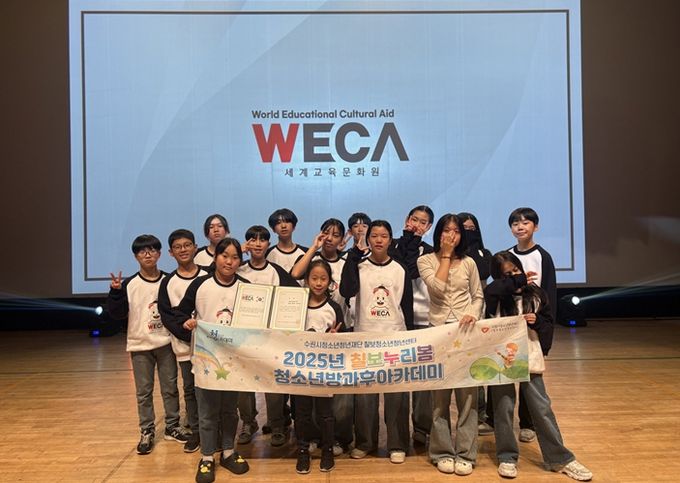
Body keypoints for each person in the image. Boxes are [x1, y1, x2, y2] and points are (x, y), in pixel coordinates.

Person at [484, 251, 592, 481]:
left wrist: (537, 322)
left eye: (516, 270)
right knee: (503, 409)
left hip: (530, 357)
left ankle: (559, 458)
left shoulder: (537, 294)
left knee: (541, 408)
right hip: (502, 360)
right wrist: (518, 280)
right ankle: (507, 457)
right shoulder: (495, 295)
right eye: (507, 275)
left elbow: (548, 324)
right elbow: (492, 290)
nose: (514, 276)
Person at [166, 238, 251, 482]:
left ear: (239, 261)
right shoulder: (200, 285)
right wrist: (187, 322)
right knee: (207, 411)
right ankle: (206, 456)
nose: (229, 261)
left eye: (235, 257)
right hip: (206, 360)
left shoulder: (246, 288)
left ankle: (228, 451)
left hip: (234, 362)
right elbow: (179, 313)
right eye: (225, 256)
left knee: (230, 410)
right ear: (215, 257)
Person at [340, 220, 414, 464]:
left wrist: (410, 337)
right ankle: (365, 442)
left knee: (397, 396)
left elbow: (407, 305)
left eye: (384, 236)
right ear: (368, 239)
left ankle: (397, 443)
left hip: (394, 338)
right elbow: (346, 290)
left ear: (391, 239)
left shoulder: (400, 269)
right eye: (374, 235)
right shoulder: (359, 266)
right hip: (365, 338)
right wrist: (353, 257)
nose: (379, 240)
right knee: (365, 396)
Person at [107, 234, 187, 455]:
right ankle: (147, 431)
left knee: (170, 388)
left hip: (165, 342)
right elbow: (117, 314)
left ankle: (172, 426)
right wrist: (115, 293)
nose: (148, 254)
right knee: (144, 392)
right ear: (136, 256)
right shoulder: (129, 284)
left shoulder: (169, 280)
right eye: (142, 251)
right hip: (140, 344)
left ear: (160, 254)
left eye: (152, 250)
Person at [416, 214, 484, 475]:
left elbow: (478, 296)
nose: (451, 235)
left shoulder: (469, 262)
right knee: (439, 398)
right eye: (446, 230)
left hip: (466, 333)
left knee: (468, 397)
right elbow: (437, 289)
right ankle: (442, 451)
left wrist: (473, 314)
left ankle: (466, 452)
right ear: (438, 234)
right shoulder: (425, 260)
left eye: (456, 231)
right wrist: (445, 256)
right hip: (439, 334)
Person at [290, 219, 353, 455]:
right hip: (306, 351)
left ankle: (337, 440)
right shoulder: (311, 260)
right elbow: (295, 273)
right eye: (326, 233)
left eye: (336, 235)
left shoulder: (345, 262)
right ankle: (311, 439)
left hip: (335, 335)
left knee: (334, 399)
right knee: (307, 401)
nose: (330, 238)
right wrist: (314, 247)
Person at [238, 225, 298, 447]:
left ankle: (277, 425)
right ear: (246, 244)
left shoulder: (275, 271)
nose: (257, 244)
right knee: (243, 385)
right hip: (243, 339)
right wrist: (237, 252)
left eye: (262, 240)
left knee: (273, 384)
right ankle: (248, 422)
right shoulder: (238, 270)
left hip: (271, 339)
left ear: (268, 244)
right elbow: (210, 275)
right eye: (252, 240)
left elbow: (296, 295)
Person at [507, 207, 556, 443]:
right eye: (515, 223)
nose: (520, 227)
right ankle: (498, 421)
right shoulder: (507, 255)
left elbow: (548, 295)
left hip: (533, 324)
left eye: (526, 222)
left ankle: (527, 423)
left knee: (530, 374)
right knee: (506, 371)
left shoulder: (542, 256)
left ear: (535, 227)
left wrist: (542, 323)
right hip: (509, 325)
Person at [158, 229, 208, 453]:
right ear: (171, 252)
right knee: (190, 389)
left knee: (213, 390)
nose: (183, 250)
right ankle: (196, 431)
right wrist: (190, 335)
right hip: (185, 346)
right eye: (178, 247)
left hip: (213, 346)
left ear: (195, 247)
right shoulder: (168, 282)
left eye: (187, 245)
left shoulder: (208, 275)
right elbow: (168, 316)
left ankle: (214, 430)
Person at [294, 259, 345, 474]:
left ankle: (327, 450)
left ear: (330, 282)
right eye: (314, 278)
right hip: (299, 371)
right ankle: (303, 451)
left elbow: (343, 339)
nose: (318, 283)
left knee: (325, 413)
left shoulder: (334, 308)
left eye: (323, 279)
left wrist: (335, 337)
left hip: (325, 371)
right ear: (306, 280)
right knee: (302, 413)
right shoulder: (296, 307)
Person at [390, 205, 435, 446]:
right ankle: (398, 436)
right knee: (397, 379)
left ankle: (421, 428)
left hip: (423, 319)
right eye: (414, 219)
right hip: (396, 320)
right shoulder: (393, 245)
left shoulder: (430, 252)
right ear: (406, 219)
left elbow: (411, 272)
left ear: (429, 227)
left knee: (422, 380)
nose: (416, 224)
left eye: (422, 222)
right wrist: (406, 241)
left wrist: (413, 241)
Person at [457, 212, 495, 435]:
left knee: (480, 365)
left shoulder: (484, 253)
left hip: (480, 315)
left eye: (472, 229)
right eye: (464, 229)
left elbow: (484, 270)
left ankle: (482, 413)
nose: (468, 233)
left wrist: (471, 248)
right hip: (456, 317)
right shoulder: (451, 257)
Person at [265, 208, 308, 275]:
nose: (283, 226)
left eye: (287, 222)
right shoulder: (266, 254)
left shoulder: (306, 253)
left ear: (294, 227)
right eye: (278, 223)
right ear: (273, 229)